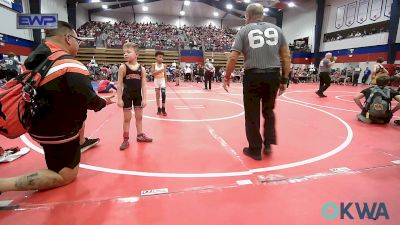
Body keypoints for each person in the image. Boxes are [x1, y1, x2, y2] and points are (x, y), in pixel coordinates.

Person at [0, 21, 114, 194]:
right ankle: (4, 185)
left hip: (33, 121)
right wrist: (105, 101)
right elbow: (90, 101)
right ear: (68, 39)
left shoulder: (34, 58)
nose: (79, 44)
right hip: (56, 132)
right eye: (77, 40)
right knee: (66, 175)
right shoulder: (71, 65)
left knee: (78, 116)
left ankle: (79, 143)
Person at [223, 3, 291, 160]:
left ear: (247, 16)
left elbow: (233, 57)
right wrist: (284, 79)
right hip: (273, 75)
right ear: (262, 14)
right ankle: (268, 145)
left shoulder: (244, 31)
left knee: (252, 114)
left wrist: (227, 77)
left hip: (253, 76)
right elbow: (286, 57)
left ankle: (255, 149)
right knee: (269, 111)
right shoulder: (278, 30)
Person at [117, 42, 153, 150]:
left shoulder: (141, 69)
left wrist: (145, 98)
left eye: (128, 52)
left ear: (137, 54)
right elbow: (119, 84)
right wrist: (119, 99)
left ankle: (140, 135)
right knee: (127, 118)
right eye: (124, 52)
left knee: (139, 117)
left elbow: (144, 85)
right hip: (126, 96)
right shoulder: (123, 67)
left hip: (138, 97)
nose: (125, 54)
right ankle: (126, 139)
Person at [151, 51, 167, 116]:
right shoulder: (153, 64)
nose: (161, 58)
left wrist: (165, 81)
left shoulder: (164, 65)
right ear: (156, 57)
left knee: (163, 95)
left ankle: (163, 108)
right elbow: (153, 73)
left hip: (162, 80)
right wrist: (161, 70)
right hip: (156, 81)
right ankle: (158, 108)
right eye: (160, 57)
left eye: (162, 58)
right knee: (157, 95)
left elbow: (165, 74)